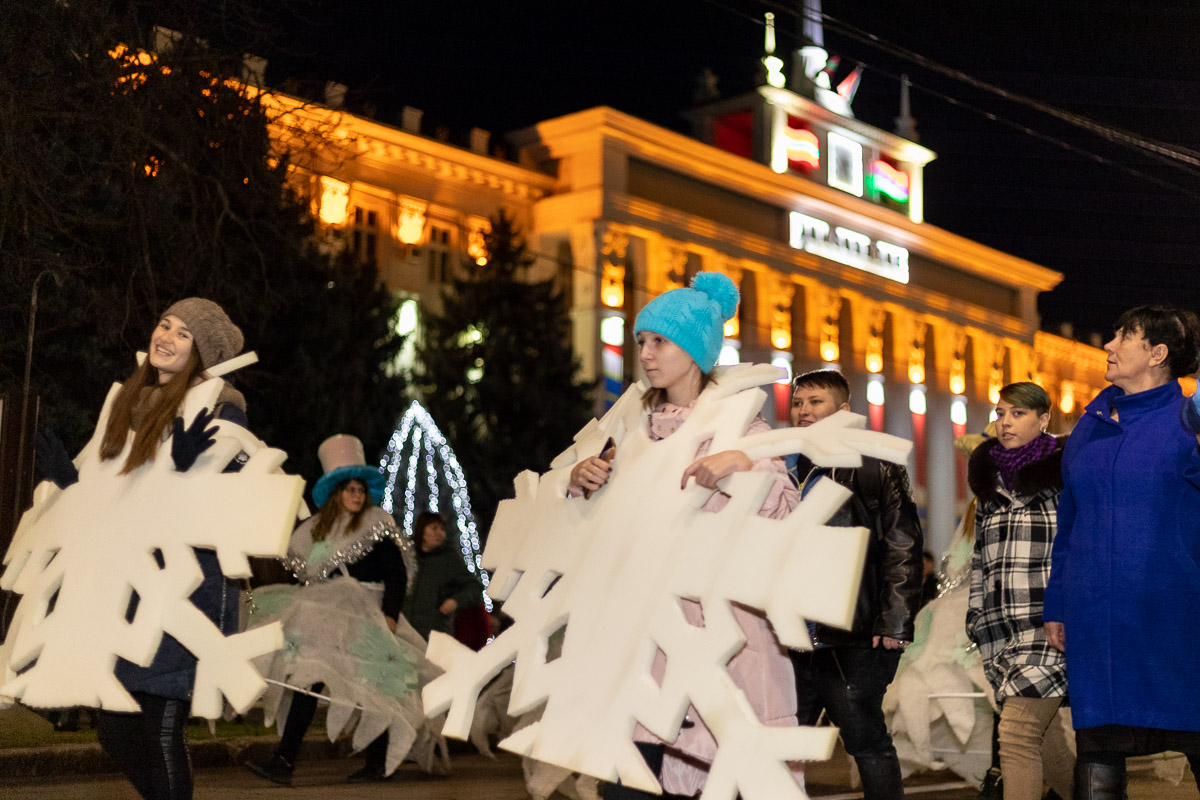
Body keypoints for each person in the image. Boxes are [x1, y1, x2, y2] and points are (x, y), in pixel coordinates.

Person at [568, 271, 800, 799]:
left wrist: (741, 465)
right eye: (641, 341)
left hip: (716, 640)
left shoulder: (743, 426)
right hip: (637, 638)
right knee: (626, 785)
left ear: (695, 350)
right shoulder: (627, 430)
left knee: (711, 779)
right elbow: (596, 524)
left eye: (660, 341)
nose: (645, 354)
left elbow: (786, 512)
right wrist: (580, 481)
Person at [30, 298, 249, 800]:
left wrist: (196, 467)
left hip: (184, 586)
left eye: (183, 333)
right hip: (126, 585)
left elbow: (236, 486)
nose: (165, 336)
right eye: (164, 325)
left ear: (202, 353)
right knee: (114, 728)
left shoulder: (223, 403)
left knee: (161, 728)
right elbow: (115, 494)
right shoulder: (130, 403)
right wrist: (70, 482)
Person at [1043, 306, 1200, 800]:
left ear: (1158, 354)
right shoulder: (1088, 427)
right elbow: (1069, 526)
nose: (1108, 346)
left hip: (1177, 620)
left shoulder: (1189, 424)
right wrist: (1057, 604)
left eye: (1123, 337)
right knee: (1098, 750)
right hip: (1098, 624)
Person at [245, 434, 424, 786]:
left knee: (376, 685)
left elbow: (396, 575)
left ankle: (376, 764)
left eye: (361, 490)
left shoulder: (377, 523)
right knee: (308, 677)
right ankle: (284, 760)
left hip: (369, 616)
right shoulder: (315, 531)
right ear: (336, 492)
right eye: (350, 489)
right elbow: (307, 580)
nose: (357, 495)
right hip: (327, 620)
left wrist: (389, 615)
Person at [784, 368, 923, 800]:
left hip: (854, 631)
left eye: (816, 402)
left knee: (865, 740)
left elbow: (902, 544)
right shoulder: (783, 465)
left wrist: (894, 621)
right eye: (798, 402)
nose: (804, 411)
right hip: (790, 632)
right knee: (781, 741)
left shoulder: (872, 464)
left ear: (844, 410)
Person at [966, 382, 1073, 800]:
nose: (1005, 422)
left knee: (1016, 734)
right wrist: (976, 614)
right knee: (1046, 742)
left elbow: (1081, 547)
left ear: (1043, 419)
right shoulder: (989, 485)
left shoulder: (1066, 475)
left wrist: (1071, 609)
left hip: (1049, 625)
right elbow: (980, 558)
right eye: (1000, 413)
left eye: (1018, 413)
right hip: (1000, 631)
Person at [406, 510, 485, 643]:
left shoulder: (449, 558)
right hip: (405, 630)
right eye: (434, 528)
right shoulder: (407, 555)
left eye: (442, 529)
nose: (440, 533)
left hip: (434, 633)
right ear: (421, 530)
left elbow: (474, 586)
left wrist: (456, 601)